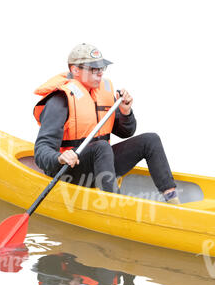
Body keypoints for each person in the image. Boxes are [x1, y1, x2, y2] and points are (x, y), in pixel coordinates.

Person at [33, 43, 180, 204]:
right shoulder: (59, 101)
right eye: (93, 69)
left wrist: (125, 112)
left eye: (101, 68)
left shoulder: (103, 92)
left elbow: (125, 132)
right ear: (75, 70)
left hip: (102, 167)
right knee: (101, 147)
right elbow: (41, 151)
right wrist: (59, 157)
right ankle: (114, 207)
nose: (100, 73)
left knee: (151, 140)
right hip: (70, 171)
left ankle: (173, 200)